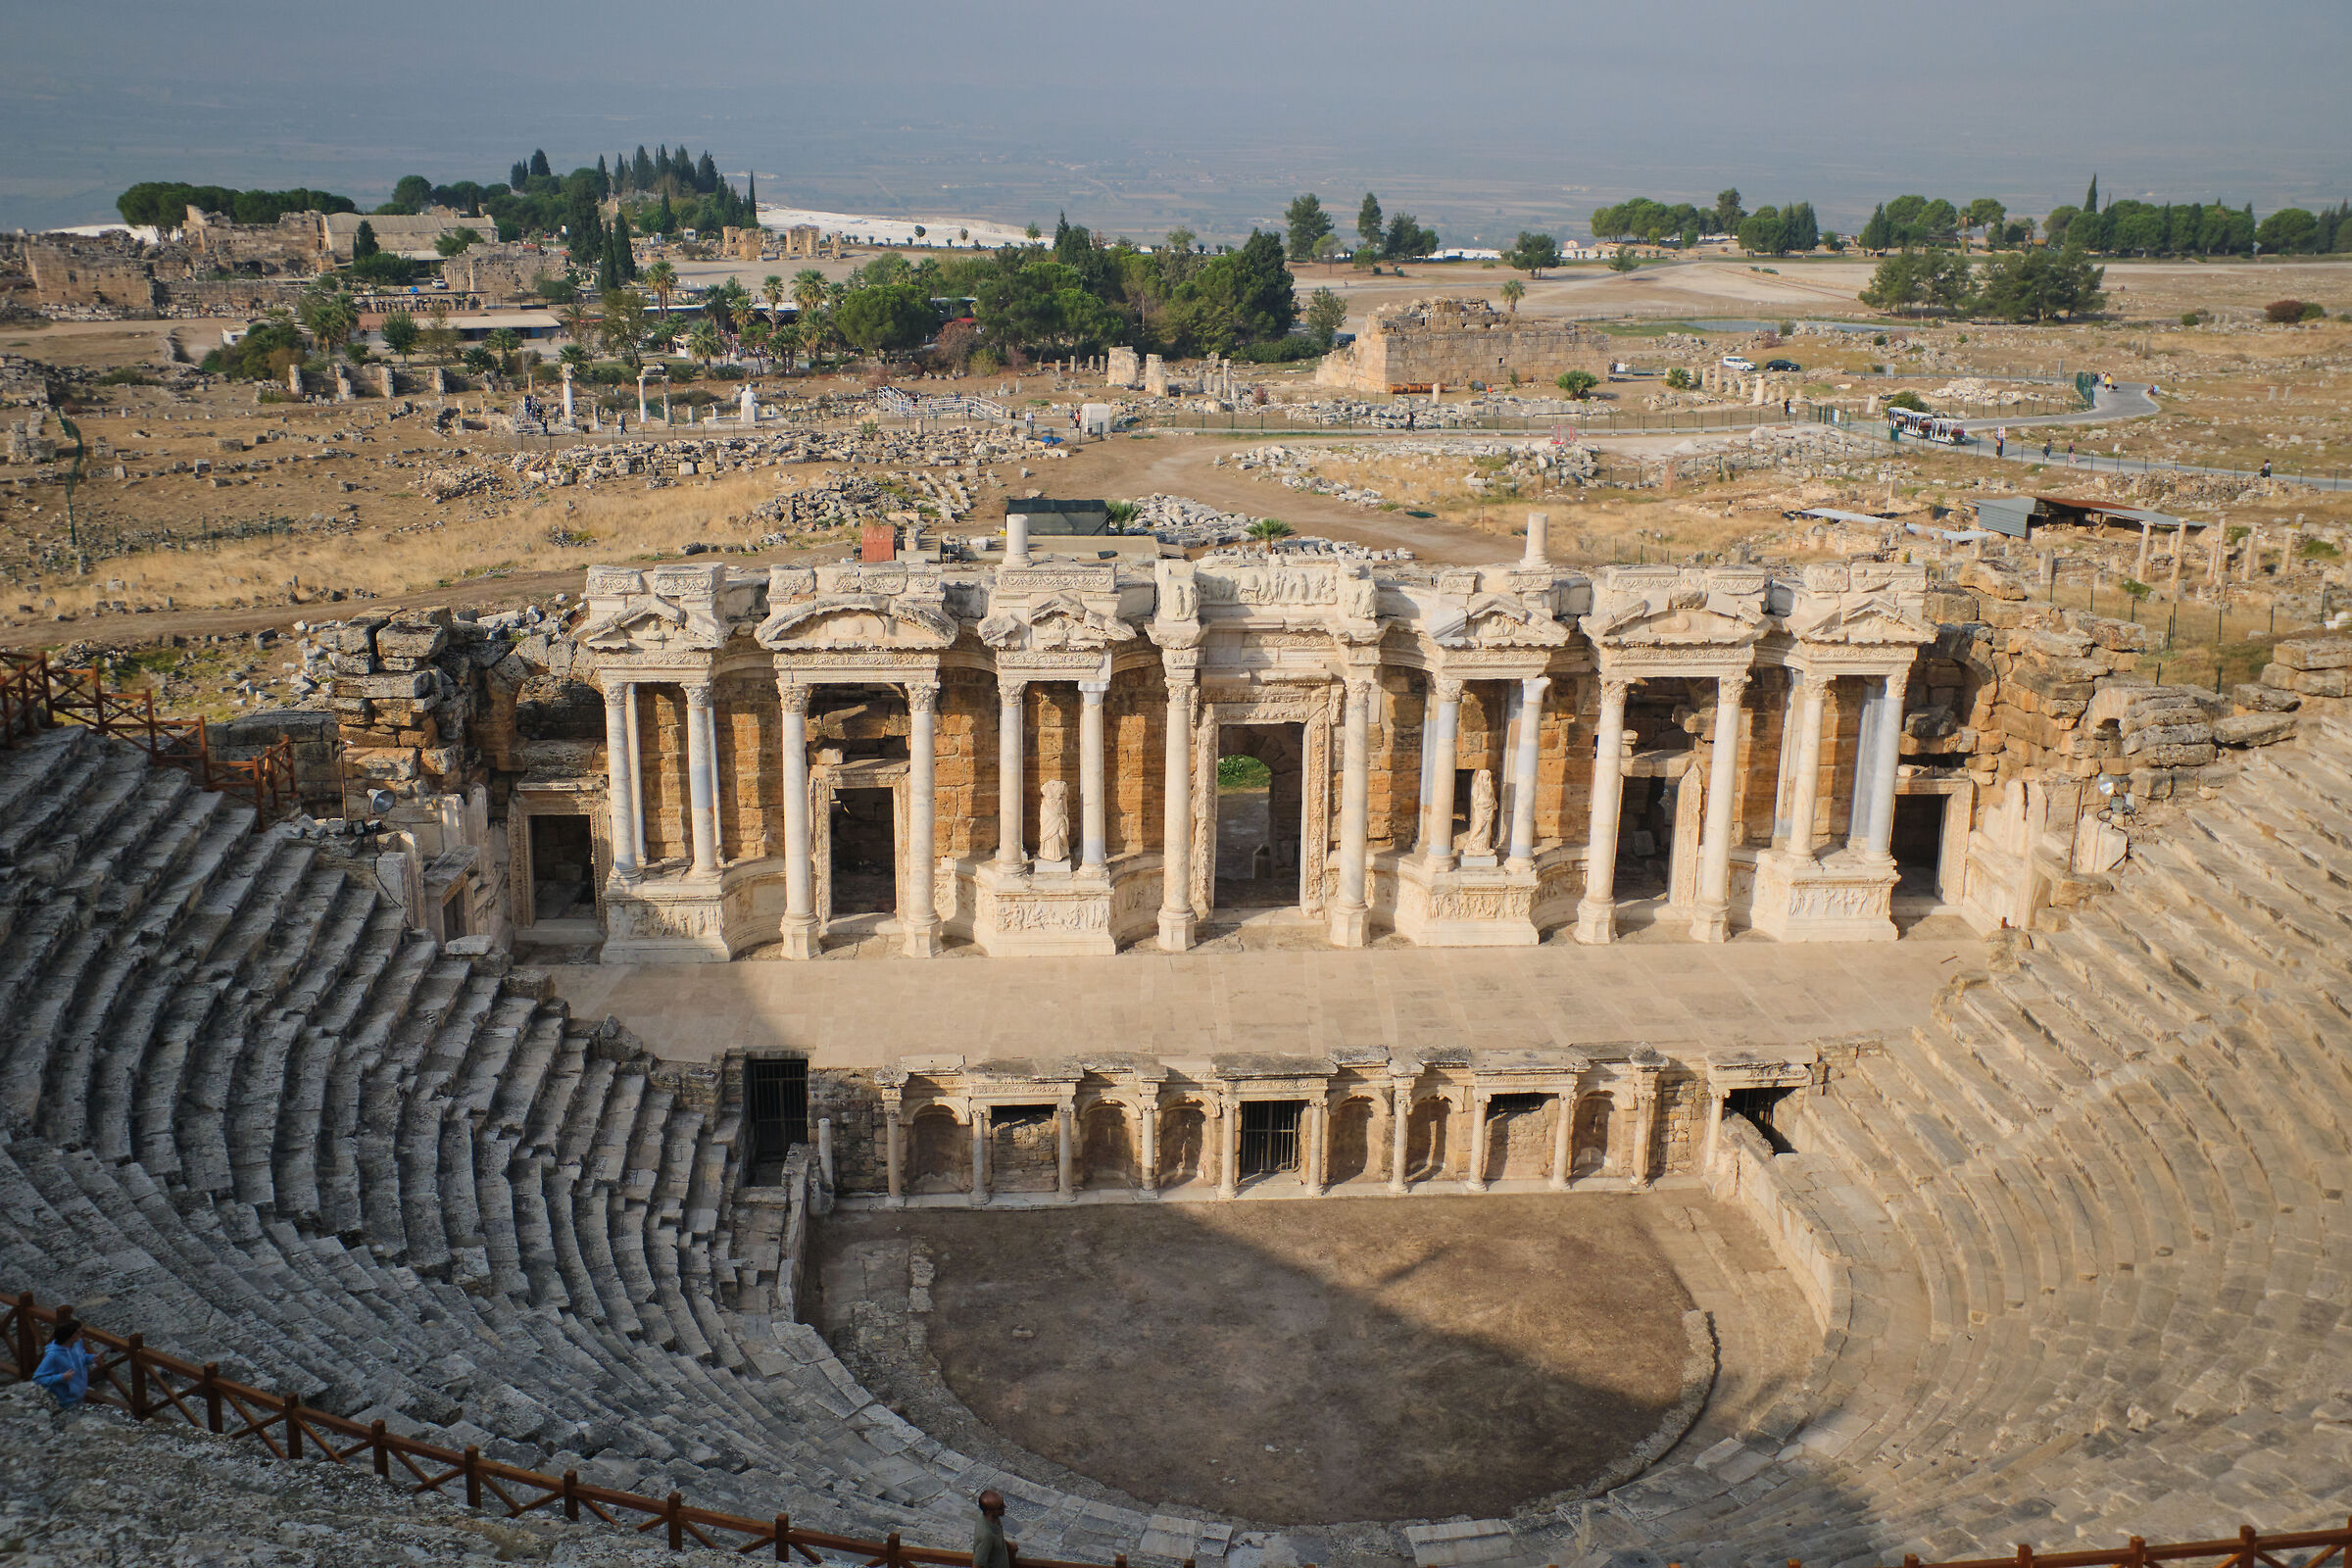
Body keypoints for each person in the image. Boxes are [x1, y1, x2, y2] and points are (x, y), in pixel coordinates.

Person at [33, 1315, 95, 1411]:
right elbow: (38, 1379)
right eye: (78, 1332)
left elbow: (81, 1358)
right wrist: (60, 1377)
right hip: (64, 1401)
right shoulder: (53, 1355)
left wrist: (92, 1358)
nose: (81, 1334)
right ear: (69, 1336)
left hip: (80, 1394)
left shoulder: (77, 1343)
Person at [972, 1491, 1014, 1568]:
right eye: (1000, 1507)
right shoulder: (987, 1536)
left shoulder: (993, 1518)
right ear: (989, 1512)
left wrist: (1009, 1546)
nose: (1005, 1506)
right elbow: (977, 1565)